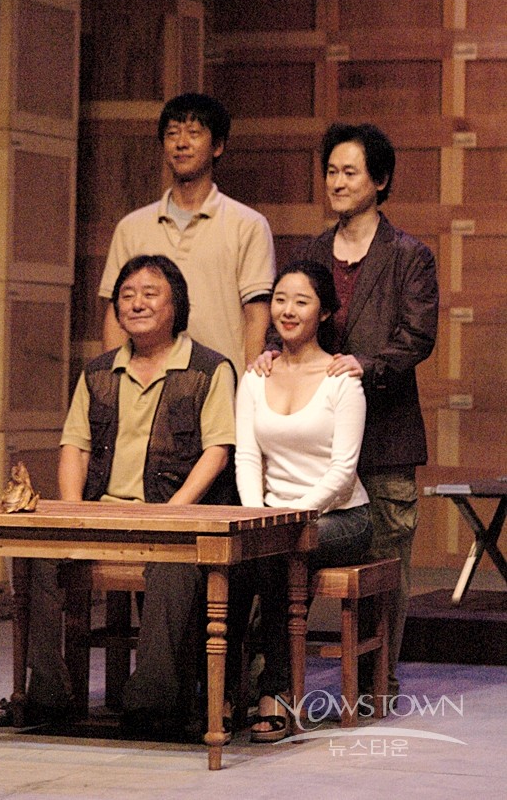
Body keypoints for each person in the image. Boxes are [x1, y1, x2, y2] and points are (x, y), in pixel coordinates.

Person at [0, 255, 242, 741]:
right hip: (102, 515)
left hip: (171, 516)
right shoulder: (99, 371)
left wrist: (173, 514)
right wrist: (73, 512)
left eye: (150, 293)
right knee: (36, 556)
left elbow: (218, 451)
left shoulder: (209, 369)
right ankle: (48, 691)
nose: (136, 303)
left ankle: (152, 700)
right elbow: (74, 446)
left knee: (173, 564)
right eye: (127, 295)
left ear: (176, 305)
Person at [253, 123, 439, 698]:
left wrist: (365, 365)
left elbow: (417, 336)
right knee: (285, 559)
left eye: (350, 171)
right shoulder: (311, 252)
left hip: (384, 437)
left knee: (386, 564)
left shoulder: (409, 255)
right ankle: (271, 680)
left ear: (379, 180)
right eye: (331, 171)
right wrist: (271, 352)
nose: (337, 182)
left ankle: (380, 680)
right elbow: (291, 314)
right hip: (314, 444)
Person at [235, 259, 373, 742]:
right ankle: (220, 691)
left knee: (278, 556)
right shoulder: (256, 375)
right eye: (280, 299)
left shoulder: (341, 378)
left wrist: (286, 521)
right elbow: (247, 457)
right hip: (272, 516)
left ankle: (273, 692)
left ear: (325, 312)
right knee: (235, 559)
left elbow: (342, 473)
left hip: (341, 516)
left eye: (301, 301)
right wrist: (257, 518)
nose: (287, 310)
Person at [98, 91, 276, 378]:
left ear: (217, 145)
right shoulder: (132, 227)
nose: (181, 143)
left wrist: (250, 389)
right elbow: (116, 314)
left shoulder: (248, 225)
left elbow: (257, 317)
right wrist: (114, 385)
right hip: (144, 388)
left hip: (219, 386)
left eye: (194, 133)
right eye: (172, 134)